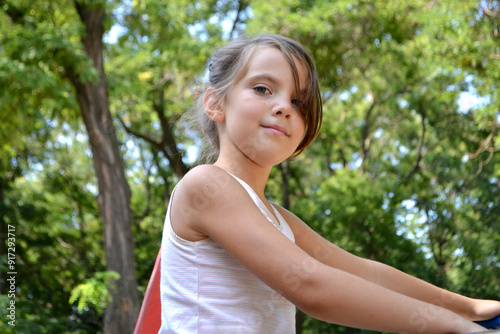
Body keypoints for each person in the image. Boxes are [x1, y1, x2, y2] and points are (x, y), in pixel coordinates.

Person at [158, 33, 500, 333]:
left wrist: (468, 308)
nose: (283, 107)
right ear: (216, 103)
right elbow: (310, 285)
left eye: (298, 101)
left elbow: (365, 273)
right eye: (263, 88)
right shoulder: (205, 185)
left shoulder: (279, 220)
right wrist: (453, 326)